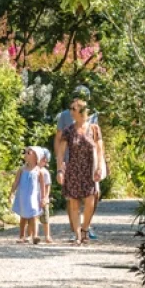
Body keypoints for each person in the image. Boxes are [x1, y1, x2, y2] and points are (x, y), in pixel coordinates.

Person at [54, 85, 105, 241]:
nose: (71, 111)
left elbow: (99, 149)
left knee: (91, 200)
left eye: (73, 109)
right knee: (74, 203)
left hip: (89, 169)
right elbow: (61, 149)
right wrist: (60, 169)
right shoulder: (68, 128)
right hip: (73, 168)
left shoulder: (94, 127)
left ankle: (85, 228)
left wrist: (99, 167)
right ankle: (77, 234)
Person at [10, 146, 44, 245]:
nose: (25, 154)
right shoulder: (21, 169)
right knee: (23, 217)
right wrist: (11, 192)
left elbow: (42, 186)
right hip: (23, 196)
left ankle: (35, 236)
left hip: (33, 197)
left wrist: (44, 197)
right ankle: (21, 236)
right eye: (26, 152)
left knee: (34, 215)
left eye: (29, 153)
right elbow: (16, 182)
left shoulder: (39, 171)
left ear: (36, 157)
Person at [38, 148, 53, 243]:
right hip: (33, 198)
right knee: (32, 218)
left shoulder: (45, 172)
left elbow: (48, 185)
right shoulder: (31, 170)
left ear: (45, 161)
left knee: (45, 218)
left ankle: (47, 235)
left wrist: (46, 197)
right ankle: (31, 235)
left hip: (43, 198)